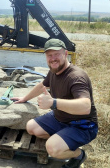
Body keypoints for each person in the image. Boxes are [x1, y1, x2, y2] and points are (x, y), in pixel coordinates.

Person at [12, 39, 98, 168]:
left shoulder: (76, 77)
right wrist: (25, 98)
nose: (53, 59)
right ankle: (63, 139)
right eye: (49, 55)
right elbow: (42, 85)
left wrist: (53, 103)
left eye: (56, 54)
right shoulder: (54, 71)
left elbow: (85, 107)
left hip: (82, 126)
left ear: (65, 53)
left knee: (52, 149)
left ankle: (79, 154)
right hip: (60, 119)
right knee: (31, 127)